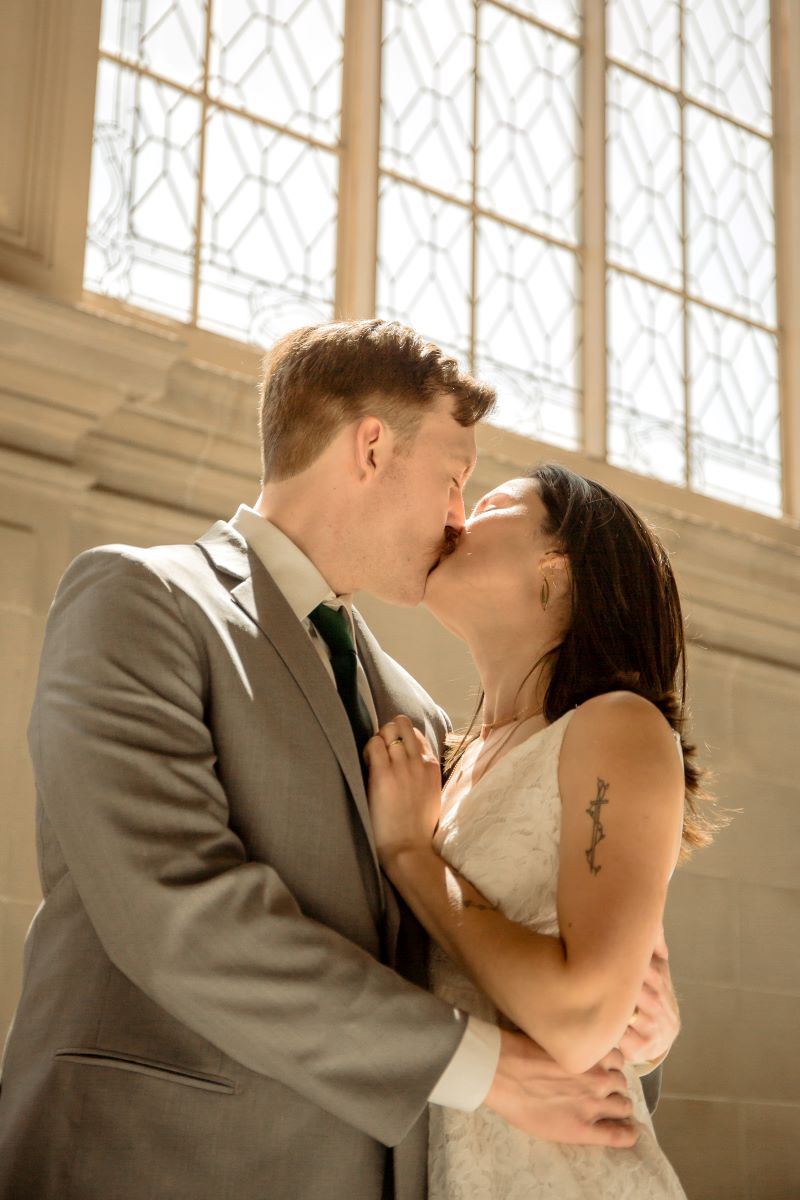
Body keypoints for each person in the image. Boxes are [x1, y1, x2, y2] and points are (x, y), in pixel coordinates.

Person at [0, 326, 677, 1200]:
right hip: (148, 1161)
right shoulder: (142, 600)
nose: (457, 516)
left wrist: (638, 1035)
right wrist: (488, 1068)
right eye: (454, 477)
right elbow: (177, 911)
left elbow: (494, 964)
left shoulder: (424, 724)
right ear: (370, 447)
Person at [365, 465, 716, 1199]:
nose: (459, 514)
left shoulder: (617, 724)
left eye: (492, 503)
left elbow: (585, 1019)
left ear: (557, 568)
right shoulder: (450, 759)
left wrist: (410, 856)